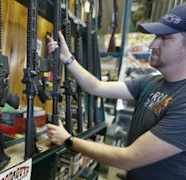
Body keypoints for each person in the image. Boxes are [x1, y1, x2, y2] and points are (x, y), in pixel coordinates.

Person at [46, 3, 186, 180]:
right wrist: (67, 59)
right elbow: (96, 86)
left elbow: (128, 158)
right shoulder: (152, 82)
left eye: (164, 37)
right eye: (155, 37)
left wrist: (68, 140)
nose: (152, 44)